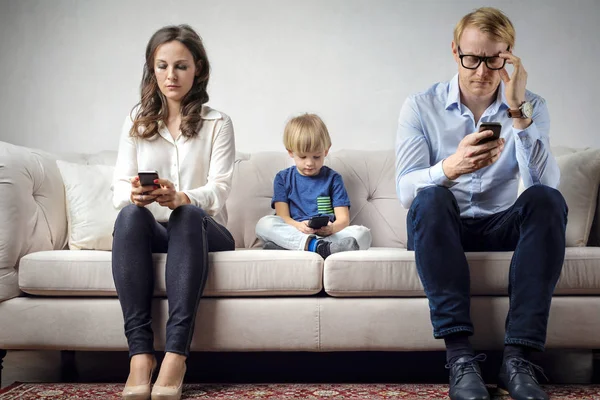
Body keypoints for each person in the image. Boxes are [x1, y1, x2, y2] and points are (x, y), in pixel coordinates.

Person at [395, 7, 567, 400]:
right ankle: (459, 358)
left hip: (499, 226)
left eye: (495, 60)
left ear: (510, 57)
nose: (482, 71)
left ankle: (518, 360)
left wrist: (517, 112)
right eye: (472, 58)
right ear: (455, 52)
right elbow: (406, 192)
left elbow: (545, 185)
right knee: (431, 197)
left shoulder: (529, 105)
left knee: (545, 200)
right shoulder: (420, 106)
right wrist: (450, 168)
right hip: (441, 227)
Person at [111, 24, 235, 400]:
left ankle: (176, 355)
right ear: (152, 70)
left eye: (180, 66)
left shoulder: (218, 123)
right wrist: (133, 195)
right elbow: (117, 187)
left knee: (187, 215)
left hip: (205, 229)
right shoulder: (136, 123)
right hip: (156, 229)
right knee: (129, 217)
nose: (171, 75)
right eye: (162, 66)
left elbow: (220, 189)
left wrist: (182, 197)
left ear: (198, 69)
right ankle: (140, 356)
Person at [255, 113, 371, 258]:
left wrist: (331, 228)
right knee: (263, 224)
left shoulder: (333, 178)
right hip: (296, 231)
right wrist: (298, 226)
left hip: (328, 235)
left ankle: (299, 246)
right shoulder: (283, 178)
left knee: (363, 233)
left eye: (317, 156)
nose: (309, 163)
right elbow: (283, 216)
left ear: (326, 151)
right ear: (291, 152)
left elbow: (343, 219)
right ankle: (317, 247)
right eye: (303, 157)